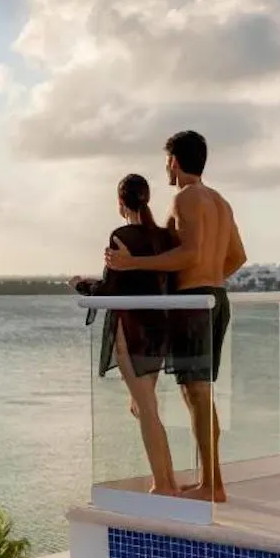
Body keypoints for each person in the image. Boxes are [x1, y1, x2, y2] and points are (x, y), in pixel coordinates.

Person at [105, 131, 247, 503]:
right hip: (216, 298)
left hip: (194, 302)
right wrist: (211, 278)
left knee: (196, 392)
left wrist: (135, 263)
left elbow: (188, 253)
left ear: (175, 161)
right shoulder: (220, 201)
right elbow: (237, 256)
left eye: (167, 160)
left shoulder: (185, 198)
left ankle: (211, 485)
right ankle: (211, 482)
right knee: (200, 394)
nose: (165, 167)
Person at [71, 174, 178, 496]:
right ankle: (167, 479)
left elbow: (109, 290)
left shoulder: (122, 235)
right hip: (159, 328)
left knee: (145, 408)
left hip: (131, 330)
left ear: (121, 202)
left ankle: (164, 484)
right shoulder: (164, 238)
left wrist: (80, 285)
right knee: (142, 405)